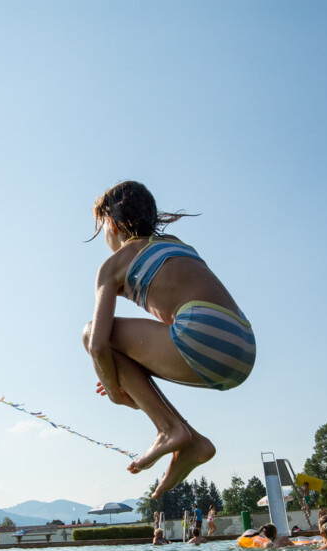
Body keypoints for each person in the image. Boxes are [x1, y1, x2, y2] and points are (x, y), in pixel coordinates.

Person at [83, 181, 256, 499]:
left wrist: (114, 391)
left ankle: (169, 429)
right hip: (243, 346)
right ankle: (192, 442)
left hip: (202, 335)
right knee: (110, 348)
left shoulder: (113, 265)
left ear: (111, 223)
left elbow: (96, 344)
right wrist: (122, 368)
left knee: (91, 332)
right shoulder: (176, 244)